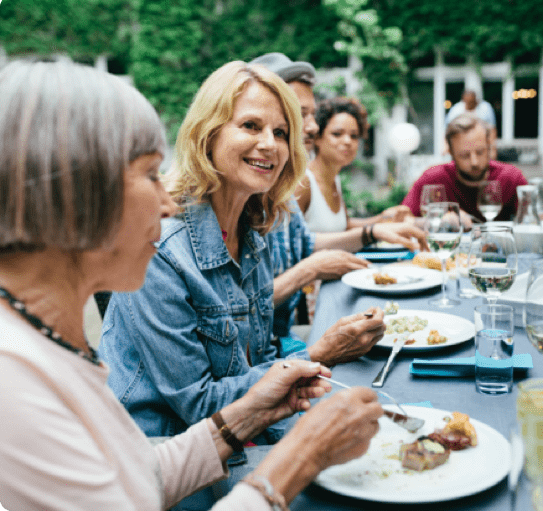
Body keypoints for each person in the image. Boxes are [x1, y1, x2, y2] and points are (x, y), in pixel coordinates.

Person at [0, 59, 383, 511]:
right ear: (78, 190)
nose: (167, 201)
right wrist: (300, 457)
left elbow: (142, 474)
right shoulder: (15, 379)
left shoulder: (49, 343)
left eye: (282, 133)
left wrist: (253, 410)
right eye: (149, 173)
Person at [98, 61, 386, 467]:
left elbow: (260, 357)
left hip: (240, 435)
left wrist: (312, 362)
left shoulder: (252, 234)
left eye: (281, 133)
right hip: (160, 457)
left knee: (377, 433)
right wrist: (317, 355)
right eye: (251, 126)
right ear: (208, 134)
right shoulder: (162, 250)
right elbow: (199, 406)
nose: (270, 144)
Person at [250, 53, 428, 351]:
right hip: (272, 347)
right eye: (300, 114)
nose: (312, 127)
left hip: (278, 341)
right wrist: (311, 270)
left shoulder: (280, 193)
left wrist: (375, 229)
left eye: (312, 115)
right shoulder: (280, 189)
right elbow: (239, 309)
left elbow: (306, 242)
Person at [295, 96, 412, 232]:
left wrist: (383, 218)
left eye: (354, 136)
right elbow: (294, 242)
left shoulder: (334, 180)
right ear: (317, 138)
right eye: (337, 134)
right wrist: (373, 231)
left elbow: (343, 227)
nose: (347, 141)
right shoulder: (303, 183)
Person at [402, 113, 528, 224]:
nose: (474, 162)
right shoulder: (433, 179)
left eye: (480, 152)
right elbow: (403, 219)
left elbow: (533, 219)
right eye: (464, 155)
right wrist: (439, 221)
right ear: (450, 152)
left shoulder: (510, 177)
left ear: (489, 146)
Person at [444, 90, 497, 159]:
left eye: (472, 102)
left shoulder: (485, 108)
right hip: (462, 144)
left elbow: (492, 129)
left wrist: (493, 148)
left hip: (481, 143)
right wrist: (446, 146)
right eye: (467, 102)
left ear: (476, 100)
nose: (469, 104)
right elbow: (448, 130)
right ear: (463, 101)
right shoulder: (456, 110)